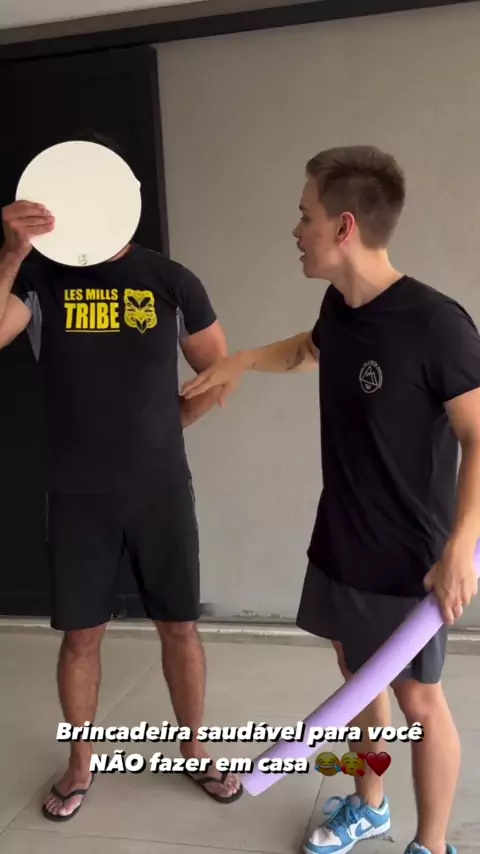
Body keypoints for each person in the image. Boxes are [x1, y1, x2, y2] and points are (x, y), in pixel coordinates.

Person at [180, 145, 480, 854]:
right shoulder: (340, 306)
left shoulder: (436, 324)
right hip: (342, 537)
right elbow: (311, 349)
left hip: (409, 559)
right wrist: (245, 360)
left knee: (418, 701)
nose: (296, 230)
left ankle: (432, 844)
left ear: (344, 227)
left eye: (304, 215)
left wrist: (460, 546)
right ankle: (370, 806)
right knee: (356, 680)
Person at [0, 132, 243, 821]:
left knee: (179, 627)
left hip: (160, 488)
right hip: (78, 493)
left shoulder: (170, 279)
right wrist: (12, 254)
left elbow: (219, 371)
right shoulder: (41, 279)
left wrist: (167, 430)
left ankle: (195, 749)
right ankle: (81, 763)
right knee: (82, 635)